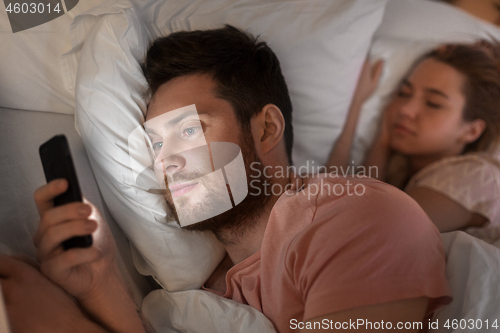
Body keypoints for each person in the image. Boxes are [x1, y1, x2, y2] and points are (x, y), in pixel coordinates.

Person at [2, 26, 452, 333]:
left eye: (190, 130)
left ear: (267, 129)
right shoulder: (211, 288)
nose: (168, 163)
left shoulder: (356, 219)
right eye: (157, 145)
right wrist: (99, 284)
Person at [327, 41, 500, 242]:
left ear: (471, 130)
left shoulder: (477, 177)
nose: (405, 110)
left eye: (433, 104)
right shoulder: (402, 171)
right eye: (404, 93)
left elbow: (351, 231)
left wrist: (355, 108)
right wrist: (383, 139)